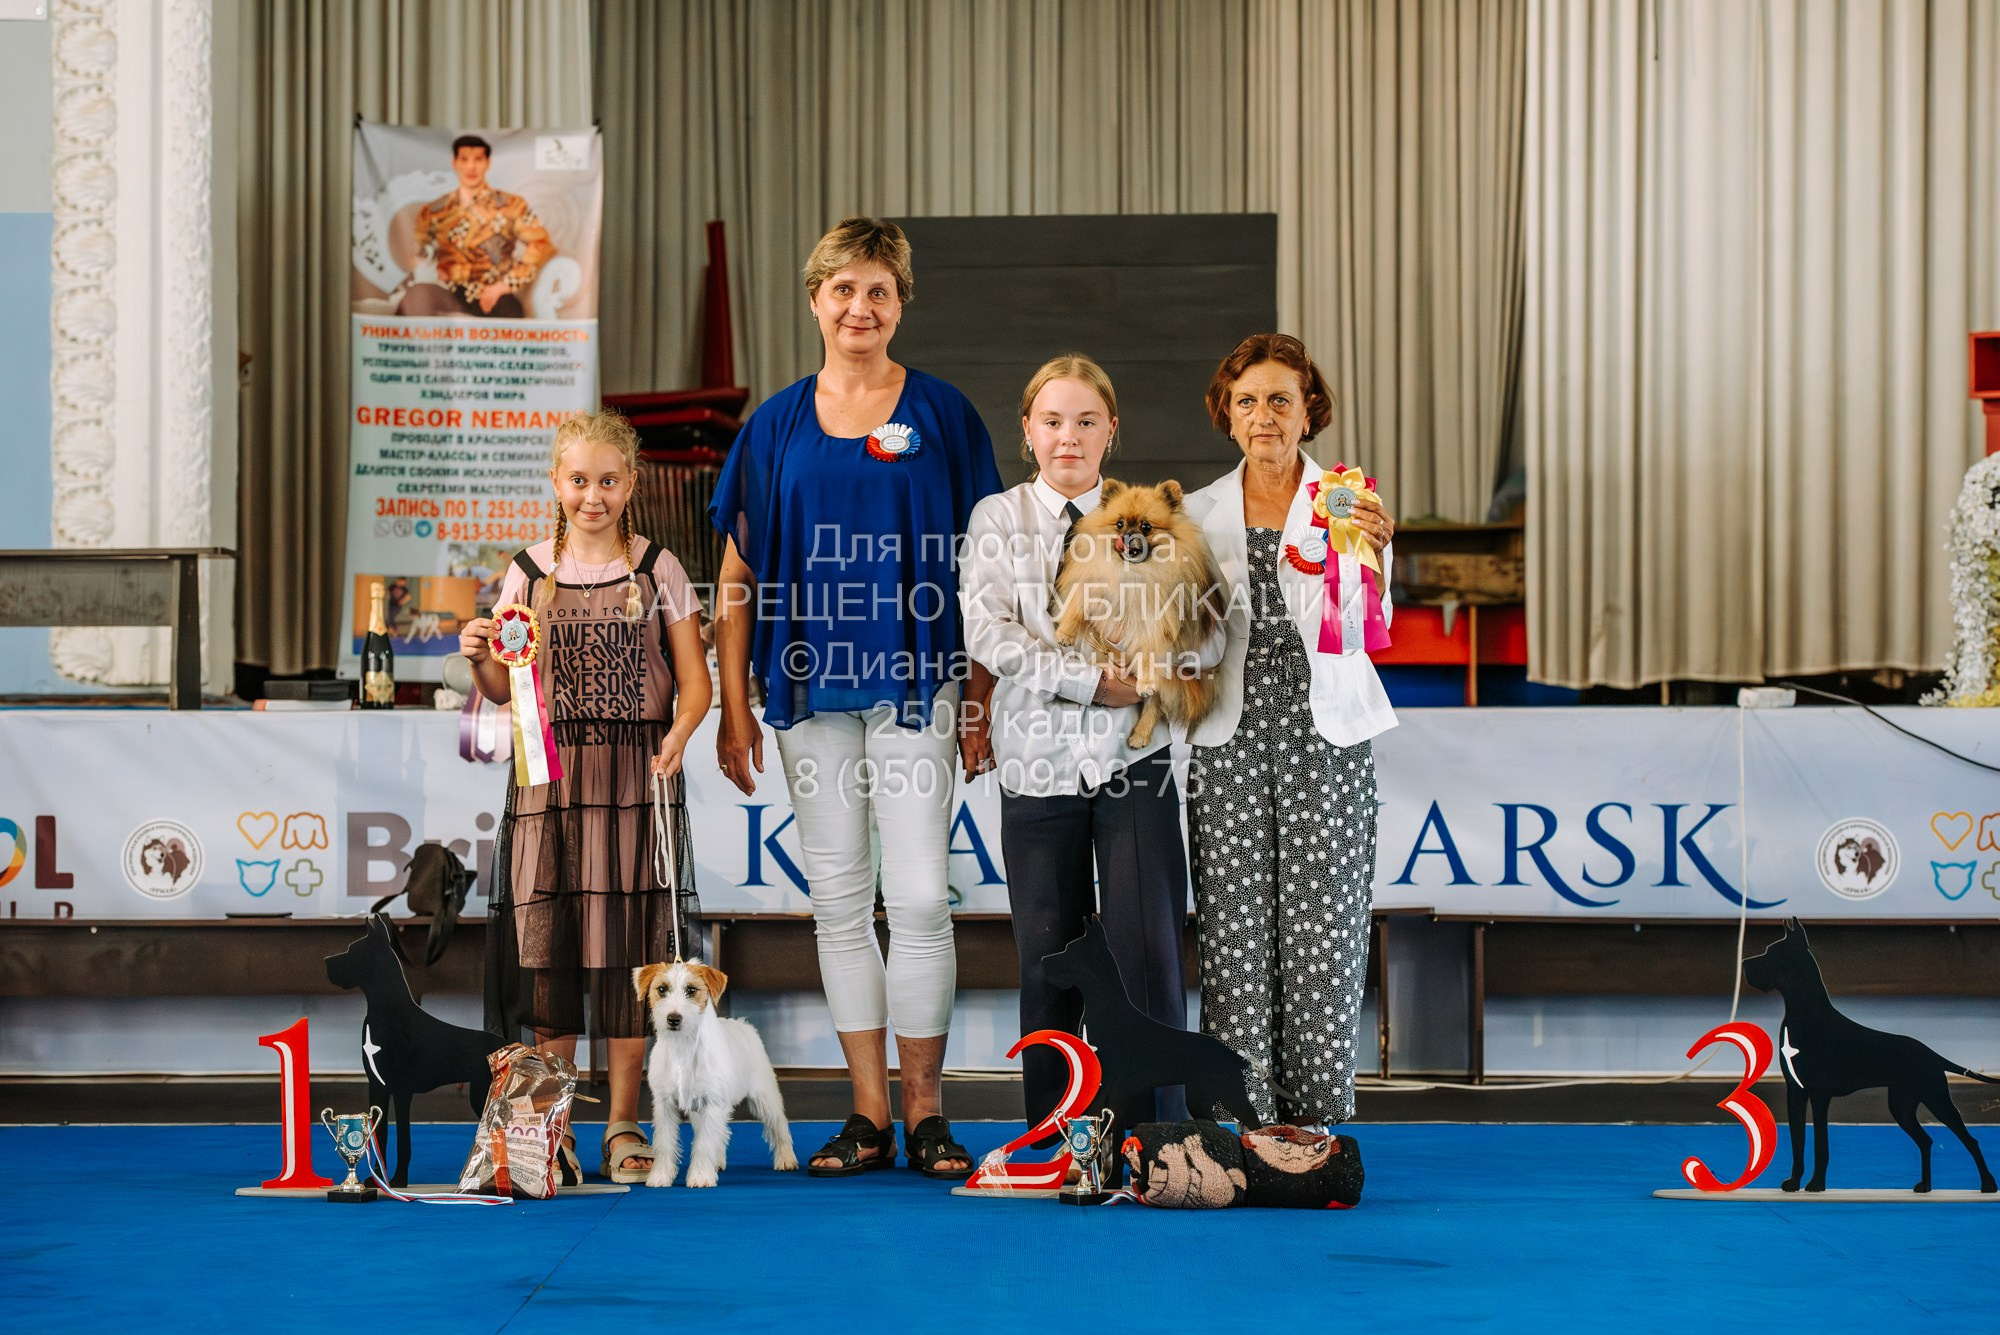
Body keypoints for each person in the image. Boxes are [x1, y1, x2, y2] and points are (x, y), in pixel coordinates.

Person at [709, 217, 1002, 1178]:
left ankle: (928, 1113)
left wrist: (981, 697)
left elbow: (990, 570)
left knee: (919, 897)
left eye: (878, 290)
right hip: (803, 688)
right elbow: (737, 575)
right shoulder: (774, 424)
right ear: (814, 299)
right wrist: (734, 703)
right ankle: (868, 1115)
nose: (859, 308)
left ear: (900, 302)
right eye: (842, 289)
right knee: (839, 903)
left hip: (923, 680)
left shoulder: (947, 415)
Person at [959, 354, 1217, 1131]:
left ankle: (1157, 1136)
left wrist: (1154, 670)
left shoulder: (1156, 517)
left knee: (1148, 956)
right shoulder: (998, 519)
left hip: (1134, 764)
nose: (1068, 436)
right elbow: (987, 632)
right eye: (1052, 421)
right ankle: (1053, 1131)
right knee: (1049, 962)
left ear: (1111, 432)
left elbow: (1203, 629)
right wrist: (1085, 681)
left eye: (1085, 421)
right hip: (1037, 766)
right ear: (1029, 433)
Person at [461, 409, 711, 1184]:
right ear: (556, 482)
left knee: (631, 954)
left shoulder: (659, 566)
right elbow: (507, 687)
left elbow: (695, 684)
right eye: (579, 480)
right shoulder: (526, 572)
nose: (592, 495)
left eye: (608, 480)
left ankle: (625, 1123)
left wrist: (680, 733)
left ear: (631, 484)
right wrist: (476, 660)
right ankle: (551, 1125)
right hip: (550, 780)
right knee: (553, 951)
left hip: (637, 776)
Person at [1182, 333, 1397, 1128]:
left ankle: (1314, 1117)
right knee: (1234, 926)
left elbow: (1377, 626)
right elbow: (1183, 637)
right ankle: (1244, 1114)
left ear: (1310, 411)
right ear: (1227, 416)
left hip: (1327, 732)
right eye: (1247, 401)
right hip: (1228, 736)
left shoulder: (1350, 502)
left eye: (1281, 399)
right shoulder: (1195, 512)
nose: (1264, 415)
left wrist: (1379, 553)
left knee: (1327, 921)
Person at [398, 134, 555, 319]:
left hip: (493, 294)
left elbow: (541, 244)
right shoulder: (433, 210)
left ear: (487, 163)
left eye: (478, 159)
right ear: (455, 162)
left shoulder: (510, 205)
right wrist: (431, 267)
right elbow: (418, 251)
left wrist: (504, 285)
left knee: (508, 319)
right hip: (448, 292)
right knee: (417, 296)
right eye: (464, 159)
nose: (471, 167)